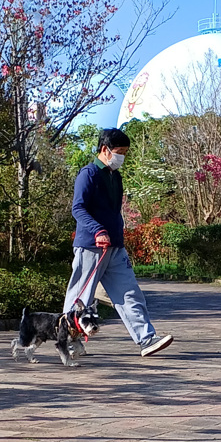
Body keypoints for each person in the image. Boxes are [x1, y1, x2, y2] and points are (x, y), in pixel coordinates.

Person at [63, 127, 174, 357]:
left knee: (130, 293)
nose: (122, 157)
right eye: (120, 151)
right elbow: (78, 208)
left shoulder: (115, 176)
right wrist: (97, 230)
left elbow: (113, 211)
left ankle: (146, 339)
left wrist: (117, 234)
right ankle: (68, 340)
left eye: (125, 152)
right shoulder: (89, 174)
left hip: (115, 247)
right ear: (105, 149)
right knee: (80, 298)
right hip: (91, 247)